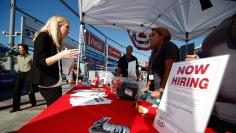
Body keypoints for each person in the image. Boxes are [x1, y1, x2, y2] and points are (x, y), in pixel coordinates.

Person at [186, 14, 236, 132]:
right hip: (206, 109)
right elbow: (213, 54)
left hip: (230, 121)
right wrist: (199, 60)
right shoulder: (226, 20)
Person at [30, 16, 79, 107]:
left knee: (55, 109)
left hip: (55, 82)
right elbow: (39, 63)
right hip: (48, 83)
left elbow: (54, 61)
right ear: (57, 25)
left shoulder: (54, 40)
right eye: (67, 27)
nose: (69, 31)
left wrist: (68, 61)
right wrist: (61, 55)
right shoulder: (43, 36)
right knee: (54, 110)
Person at [141, 27, 179, 99]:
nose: (150, 38)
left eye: (153, 35)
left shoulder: (168, 46)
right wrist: (148, 85)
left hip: (162, 92)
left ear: (162, 36)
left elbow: (170, 69)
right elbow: (152, 72)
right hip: (153, 91)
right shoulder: (154, 53)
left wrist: (161, 89)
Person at [10, 44, 36, 112]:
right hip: (20, 74)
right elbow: (8, 54)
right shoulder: (18, 57)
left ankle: (33, 102)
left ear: (25, 49)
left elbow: (34, 66)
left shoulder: (30, 57)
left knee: (30, 90)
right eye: (18, 49)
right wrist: (12, 48)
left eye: (20, 48)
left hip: (28, 74)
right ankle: (16, 107)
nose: (19, 50)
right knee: (16, 91)